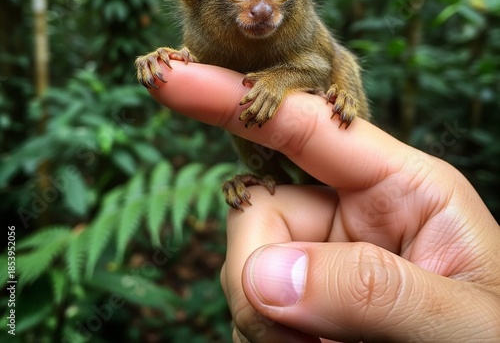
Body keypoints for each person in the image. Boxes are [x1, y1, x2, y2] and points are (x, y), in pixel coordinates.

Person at [147, 60, 500, 342]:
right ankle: (263, 178)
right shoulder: (208, 36)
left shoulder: (298, 33)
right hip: (293, 181)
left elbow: (318, 64)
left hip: (338, 153)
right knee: (246, 122)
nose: (261, 9)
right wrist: (163, 58)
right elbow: (193, 60)